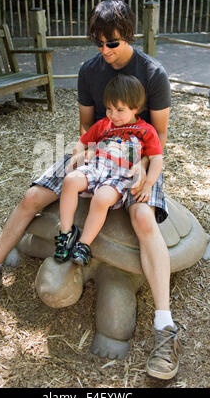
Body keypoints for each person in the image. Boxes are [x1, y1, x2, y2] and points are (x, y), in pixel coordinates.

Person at [0, 0, 181, 380]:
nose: (105, 51)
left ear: (129, 36)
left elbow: (160, 139)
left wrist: (144, 171)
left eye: (113, 43)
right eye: (99, 43)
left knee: (142, 216)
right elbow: (87, 129)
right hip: (97, 149)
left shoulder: (153, 73)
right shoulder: (90, 70)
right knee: (32, 196)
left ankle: (165, 326)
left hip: (140, 156)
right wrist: (77, 156)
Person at [54, 74, 163, 267]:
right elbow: (82, 141)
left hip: (119, 176)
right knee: (70, 180)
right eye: (109, 109)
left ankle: (84, 244)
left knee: (102, 198)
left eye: (120, 110)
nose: (113, 115)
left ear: (135, 108)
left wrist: (148, 185)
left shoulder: (146, 131)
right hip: (96, 168)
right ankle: (66, 233)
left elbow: (156, 159)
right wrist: (77, 155)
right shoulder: (104, 124)